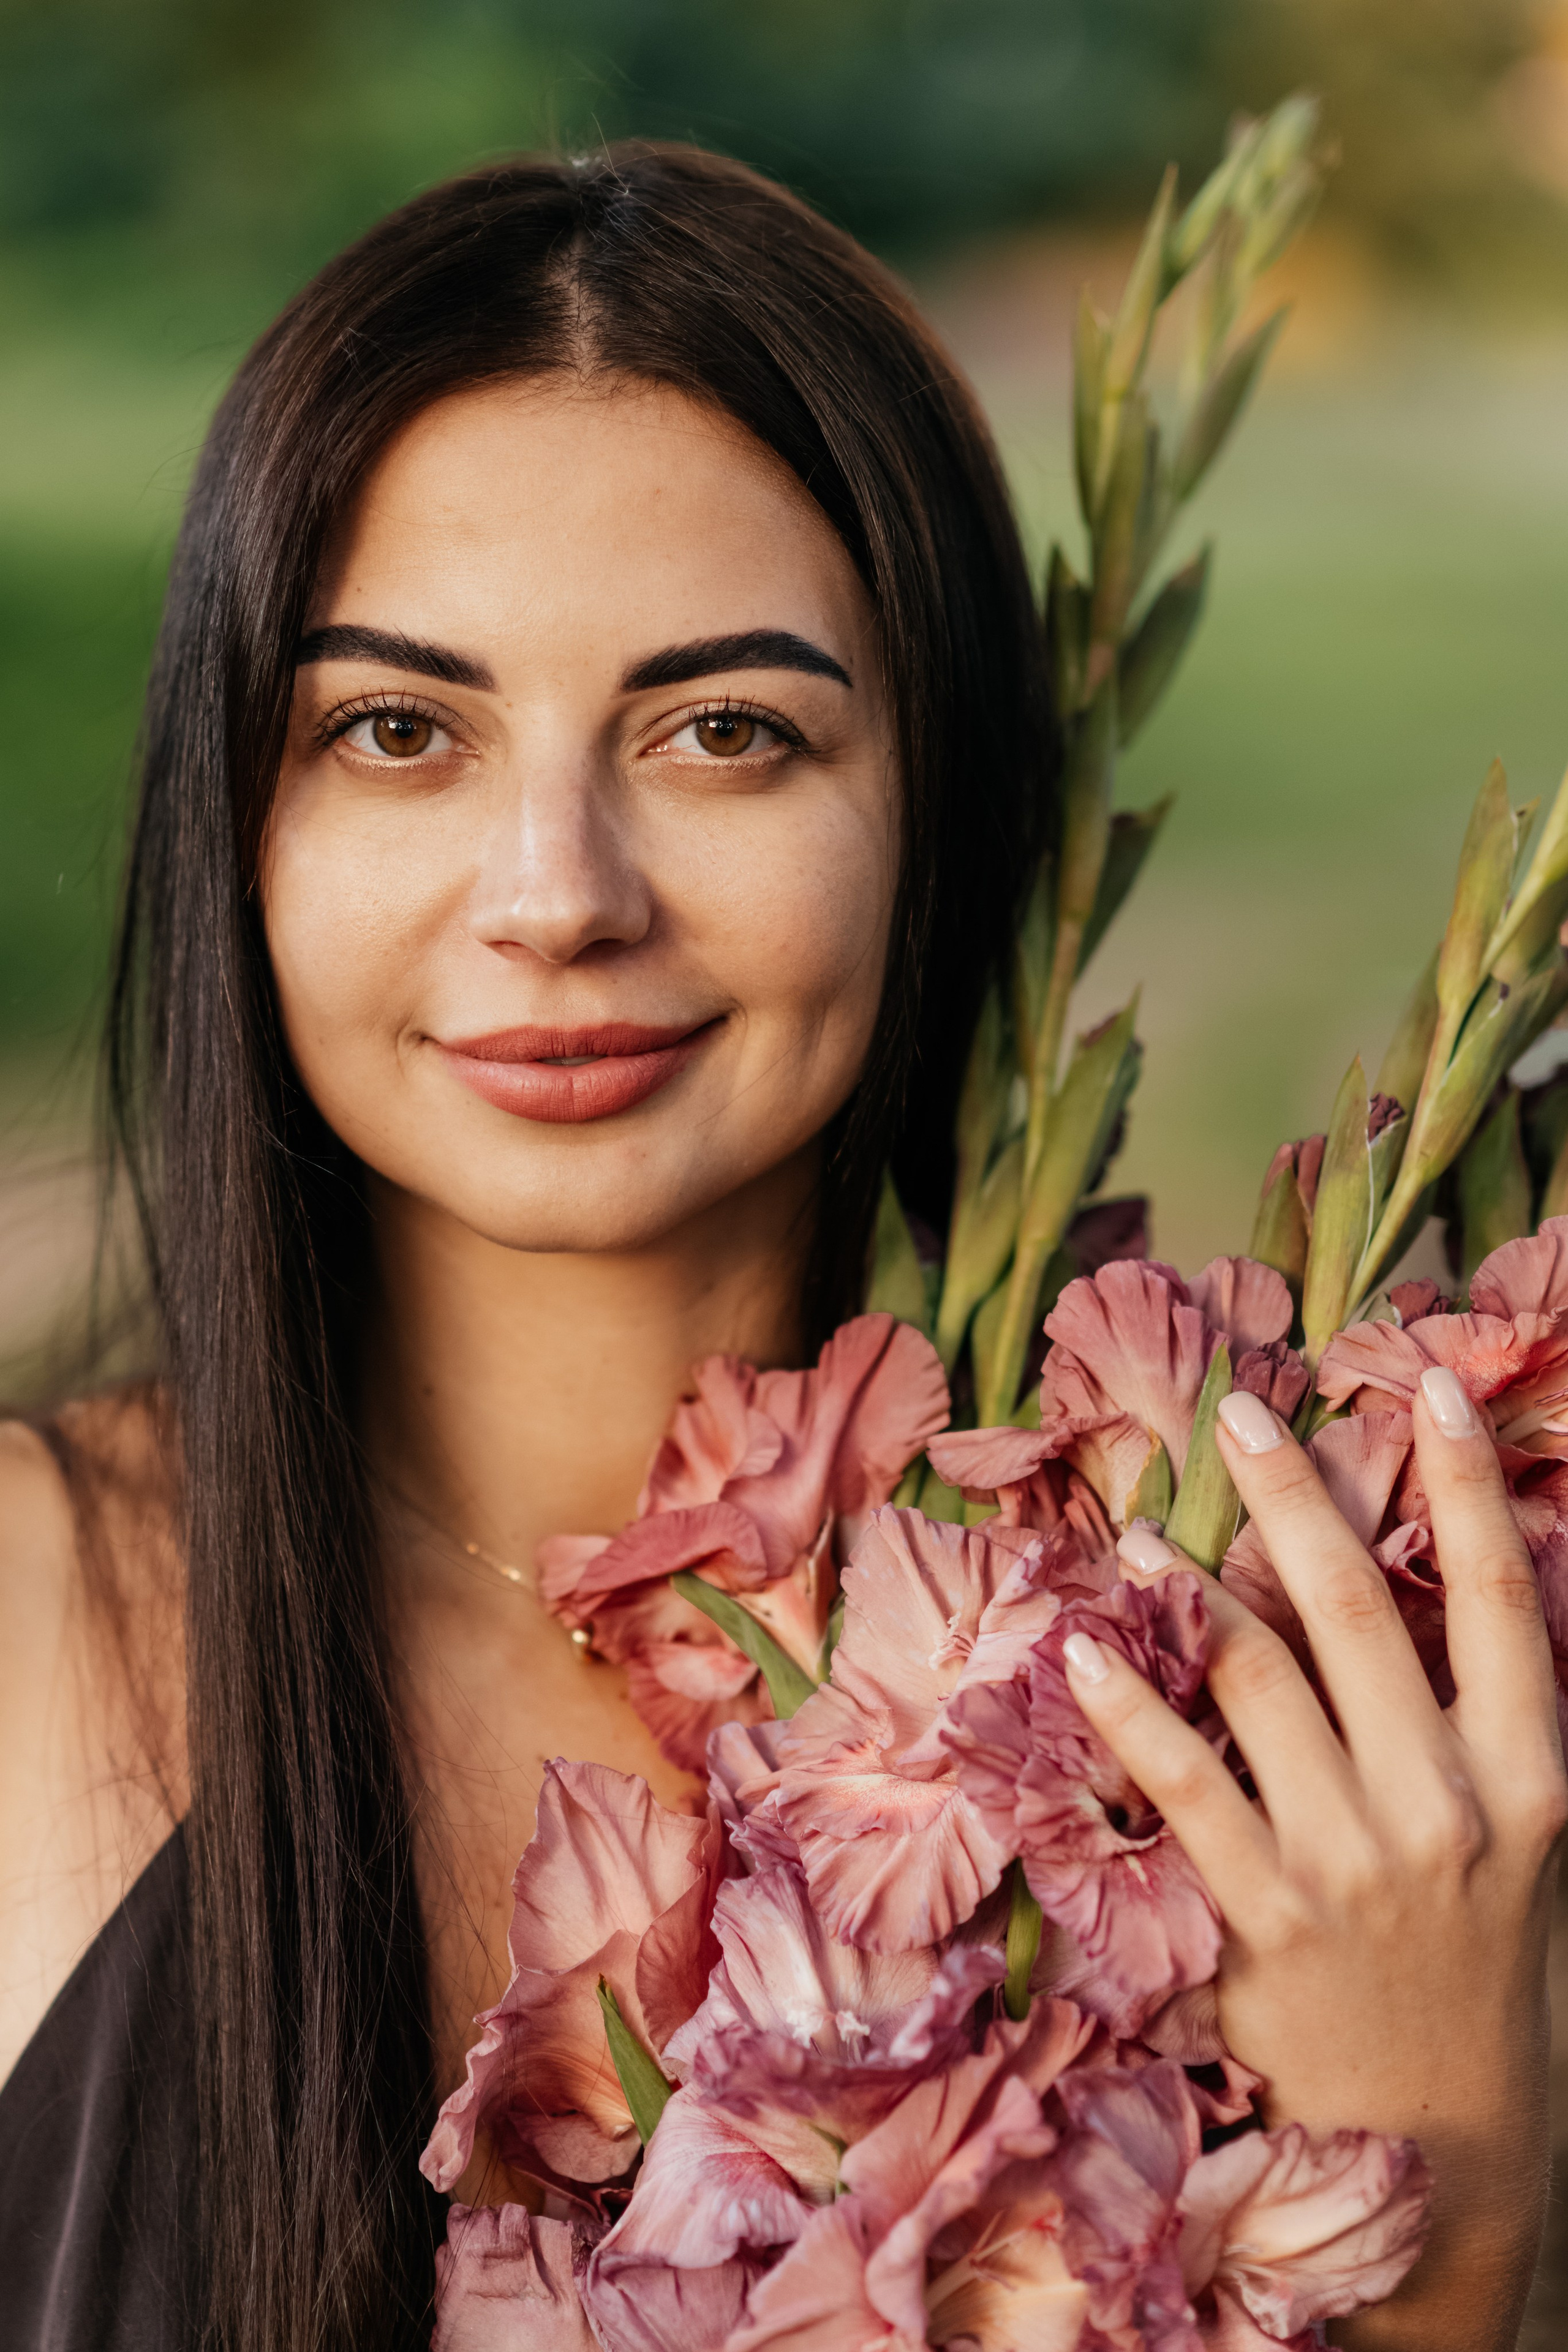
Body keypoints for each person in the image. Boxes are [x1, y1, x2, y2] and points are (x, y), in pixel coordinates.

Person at [0, 145, 1558, 2352]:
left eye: (726, 731)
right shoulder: (23, 1616)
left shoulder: (1245, 1698)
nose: (557, 892)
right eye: (397, 730)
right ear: (237, 820)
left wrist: (1460, 2217)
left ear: (942, 806)